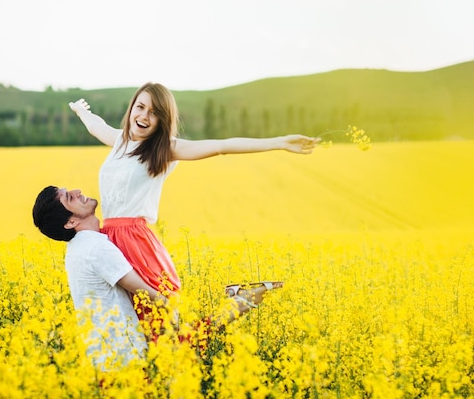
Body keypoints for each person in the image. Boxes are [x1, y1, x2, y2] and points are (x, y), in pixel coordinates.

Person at [68, 82, 317, 325]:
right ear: (131, 107)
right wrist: (81, 110)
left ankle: (240, 302)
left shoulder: (164, 149)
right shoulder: (119, 142)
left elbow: (221, 146)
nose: (144, 116)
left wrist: (280, 142)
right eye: (141, 107)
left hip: (134, 243)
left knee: (162, 331)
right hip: (108, 240)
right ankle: (237, 300)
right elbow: (94, 125)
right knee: (131, 326)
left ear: (163, 121)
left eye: (154, 113)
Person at [32, 185, 271, 362]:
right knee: (181, 343)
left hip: (107, 355)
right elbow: (144, 291)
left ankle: (237, 304)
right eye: (68, 197)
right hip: (122, 359)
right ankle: (238, 304)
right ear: (70, 222)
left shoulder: (80, 247)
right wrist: (176, 308)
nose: (76, 191)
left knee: (179, 347)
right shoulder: (96, 247)